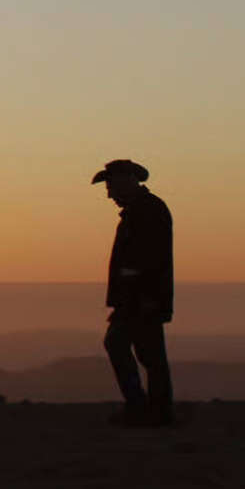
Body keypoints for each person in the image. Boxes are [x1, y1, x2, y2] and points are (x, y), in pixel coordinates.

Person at [93, 158, 174, 427]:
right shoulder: (145, 210)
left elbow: (150, 260)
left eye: (111, 187)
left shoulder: (148, 211)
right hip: (140, 299)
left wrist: (140, 297)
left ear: (126, 182)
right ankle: (155, 411)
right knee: (149, 353)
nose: (109, 194)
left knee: (128, 347)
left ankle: (144, 409)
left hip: (141, 299)